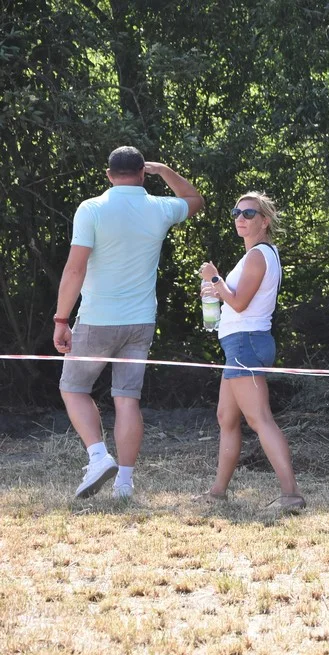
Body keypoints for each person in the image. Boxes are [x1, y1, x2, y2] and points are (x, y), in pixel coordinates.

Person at [53, 146, 204, 499]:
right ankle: (124, 483)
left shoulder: (91, 208)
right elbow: (194, 198)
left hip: (97, 320)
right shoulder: (160, 208)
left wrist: (62, 318)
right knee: (127, 400)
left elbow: (75, 269)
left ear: (108, 175)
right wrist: (165, 170)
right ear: (141, 173)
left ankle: (98, 456)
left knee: (73, 388)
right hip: (140, 322)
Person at [197, 192, 304, 511]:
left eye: (248, 214)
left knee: (260, 419)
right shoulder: (255, 255)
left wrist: (214, 278)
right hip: (237, 343)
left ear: (264, 221)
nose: (240, 218)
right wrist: (215, 289)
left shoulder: (259, 255)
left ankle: (291, 494)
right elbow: (232, 300)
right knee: (226, 417)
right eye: (236, 212)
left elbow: (240, 302)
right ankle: (218, 492)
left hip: (247, 342)